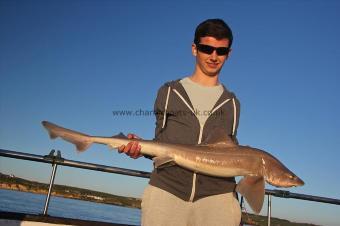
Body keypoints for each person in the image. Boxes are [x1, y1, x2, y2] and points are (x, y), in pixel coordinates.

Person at [119, 18, 241, 226]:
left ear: (228, 54)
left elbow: (229, 151)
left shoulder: (233, 103)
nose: (213, 56)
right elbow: (161, 142)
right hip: (167, 192)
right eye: (206, 48)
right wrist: (141, 148)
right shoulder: (169, 92)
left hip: (217, 199)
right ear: (194, 49)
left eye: (220, 51)